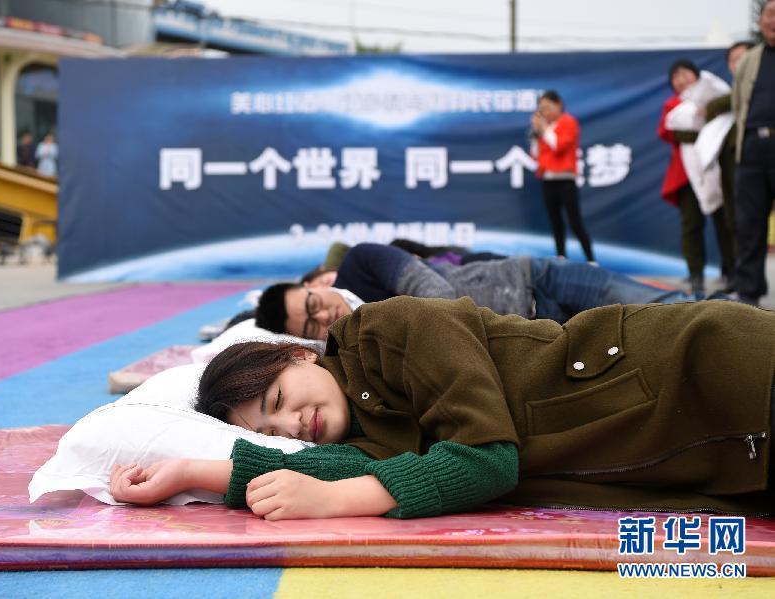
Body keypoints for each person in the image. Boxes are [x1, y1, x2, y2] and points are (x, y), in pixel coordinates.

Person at [109, 296, 775, 520]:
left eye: (278, 400)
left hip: (709, 370)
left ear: (300, 355)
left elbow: (486, 459)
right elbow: (317, 472)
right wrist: (187, 473)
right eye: (273, 429)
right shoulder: (371, 438)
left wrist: (332, 501)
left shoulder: (393, 329)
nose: (290, 426)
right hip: (722, 458)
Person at [257, 243, 701, 339]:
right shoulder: (354, 346)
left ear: (310, 286)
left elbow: (431, 289)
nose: (323, 316)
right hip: (542, 336)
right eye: (311, 326)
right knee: (646, 335)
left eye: (312, 305)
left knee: (666, 308)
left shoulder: (359, 263)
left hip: (537, 280)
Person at [659, 59, 736, 296]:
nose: (681, 80)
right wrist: (700, 128)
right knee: (691, 225)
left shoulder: (717, 100)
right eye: (676, 77)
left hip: (717, 171)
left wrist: (707, 115)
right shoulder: (673, 105)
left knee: (726, 223)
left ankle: (732, 272)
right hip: (686, 175)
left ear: (697, 75)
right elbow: (668, 131)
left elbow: (727, 125)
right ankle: (696, 276)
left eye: (685, 74)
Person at [733, 0, 775, 306]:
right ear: (761, 20)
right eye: (770, 14)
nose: (774, 21)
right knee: (749, 225)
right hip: (752, 150)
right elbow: (738, 103)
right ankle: (748, 294)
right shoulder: (750, 59)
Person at [705, 41, 756, 294]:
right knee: (733, 221)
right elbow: (710, 110)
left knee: (749, 222)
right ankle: (739, 277)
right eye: (734, 60)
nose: (739, 64)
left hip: (758, 162)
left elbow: (719, 104)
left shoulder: (759, 87)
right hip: (730, 167)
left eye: (743, 57)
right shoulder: (728, 93)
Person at [530, 90, 595, 263]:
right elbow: (536, 154)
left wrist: (544, 129)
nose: (544, 112)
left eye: (547, 107)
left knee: (575, 222)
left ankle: (591, 260)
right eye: (541, 108)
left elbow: (559, 145)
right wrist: (536, 134)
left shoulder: (568, 122)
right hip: (548, 180)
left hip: (565, 180)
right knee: (556, 223)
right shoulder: (545, 129)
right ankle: (561, 260)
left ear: (558, 104)